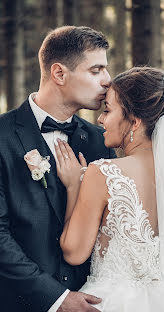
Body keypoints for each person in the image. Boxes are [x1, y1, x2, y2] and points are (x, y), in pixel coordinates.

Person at [55, 66, 164, 311]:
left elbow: (74, 253)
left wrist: (74, 186)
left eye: (108, 110)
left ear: (134, 121)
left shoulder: (103, 173)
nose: (101, 119)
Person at [0, 25, 116, 312]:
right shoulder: (2, 136)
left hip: (92, 300)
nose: (107, 80)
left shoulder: (101, 142)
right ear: (59, 73)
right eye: (96, 70)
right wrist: (56, 297)